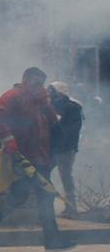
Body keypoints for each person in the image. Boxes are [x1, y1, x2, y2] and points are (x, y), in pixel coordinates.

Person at [0, 68, 76, 252]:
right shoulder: (14, 95)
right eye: (36, 82)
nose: (39, 86)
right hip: (26, 157)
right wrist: (8, 139)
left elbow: (50, 123)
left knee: (19, 196)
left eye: (41, 83)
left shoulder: (40, 100)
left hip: (40, 156)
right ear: (27, 79)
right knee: (45, 195)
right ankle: (51, 241)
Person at [48, 82, 83, 219]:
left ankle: (72, 208)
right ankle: (49, 205)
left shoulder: (71, 107)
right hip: (55, 147)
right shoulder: (56, 105)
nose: (48, 92)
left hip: (65, 149)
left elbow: (68, 130)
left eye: (51, 90)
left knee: (66, 178)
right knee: (43, 174)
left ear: (59, 92)